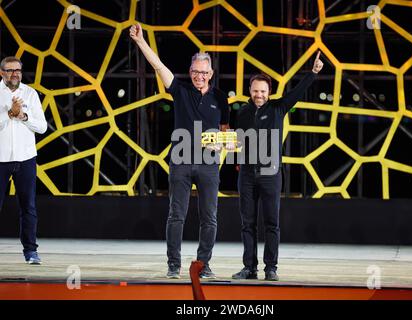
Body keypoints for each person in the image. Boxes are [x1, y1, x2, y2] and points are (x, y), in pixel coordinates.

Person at [130, 24, 229, 279]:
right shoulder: (180, 90)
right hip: (181, 162)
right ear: (190, 71)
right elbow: (158, 66)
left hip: (208, 164)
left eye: (204, 72)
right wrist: (141, 42)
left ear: (211, 73)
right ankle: (173, 265)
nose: (199, 76)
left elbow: (225, 132)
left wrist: (222, 143)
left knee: (210, 217)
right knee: (176, 215)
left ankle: (203, 264)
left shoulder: (220, 97)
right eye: (195, 72)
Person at [232, 51, 323, 281]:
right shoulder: (242, 112)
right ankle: (249, 268)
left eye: (263, 91)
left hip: (271, 175)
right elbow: (239, 140)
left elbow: (297, 93)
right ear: (250, 90)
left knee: (272, 223)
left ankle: (270, 268)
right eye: (255, 90)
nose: (259, 95)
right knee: (247, 224)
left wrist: (312, 73)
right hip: (247, 175)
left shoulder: (278, 108)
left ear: (269, 92)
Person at [0, 56, 47, 265]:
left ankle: (30, 251)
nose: (14, 74)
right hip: (0, 158)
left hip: (26, 158)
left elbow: (43, 127)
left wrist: (23, 116)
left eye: (17, 70)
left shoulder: (30, 93)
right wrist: (9, 113)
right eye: (10, 70)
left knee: (28, 207)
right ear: (2, 72)